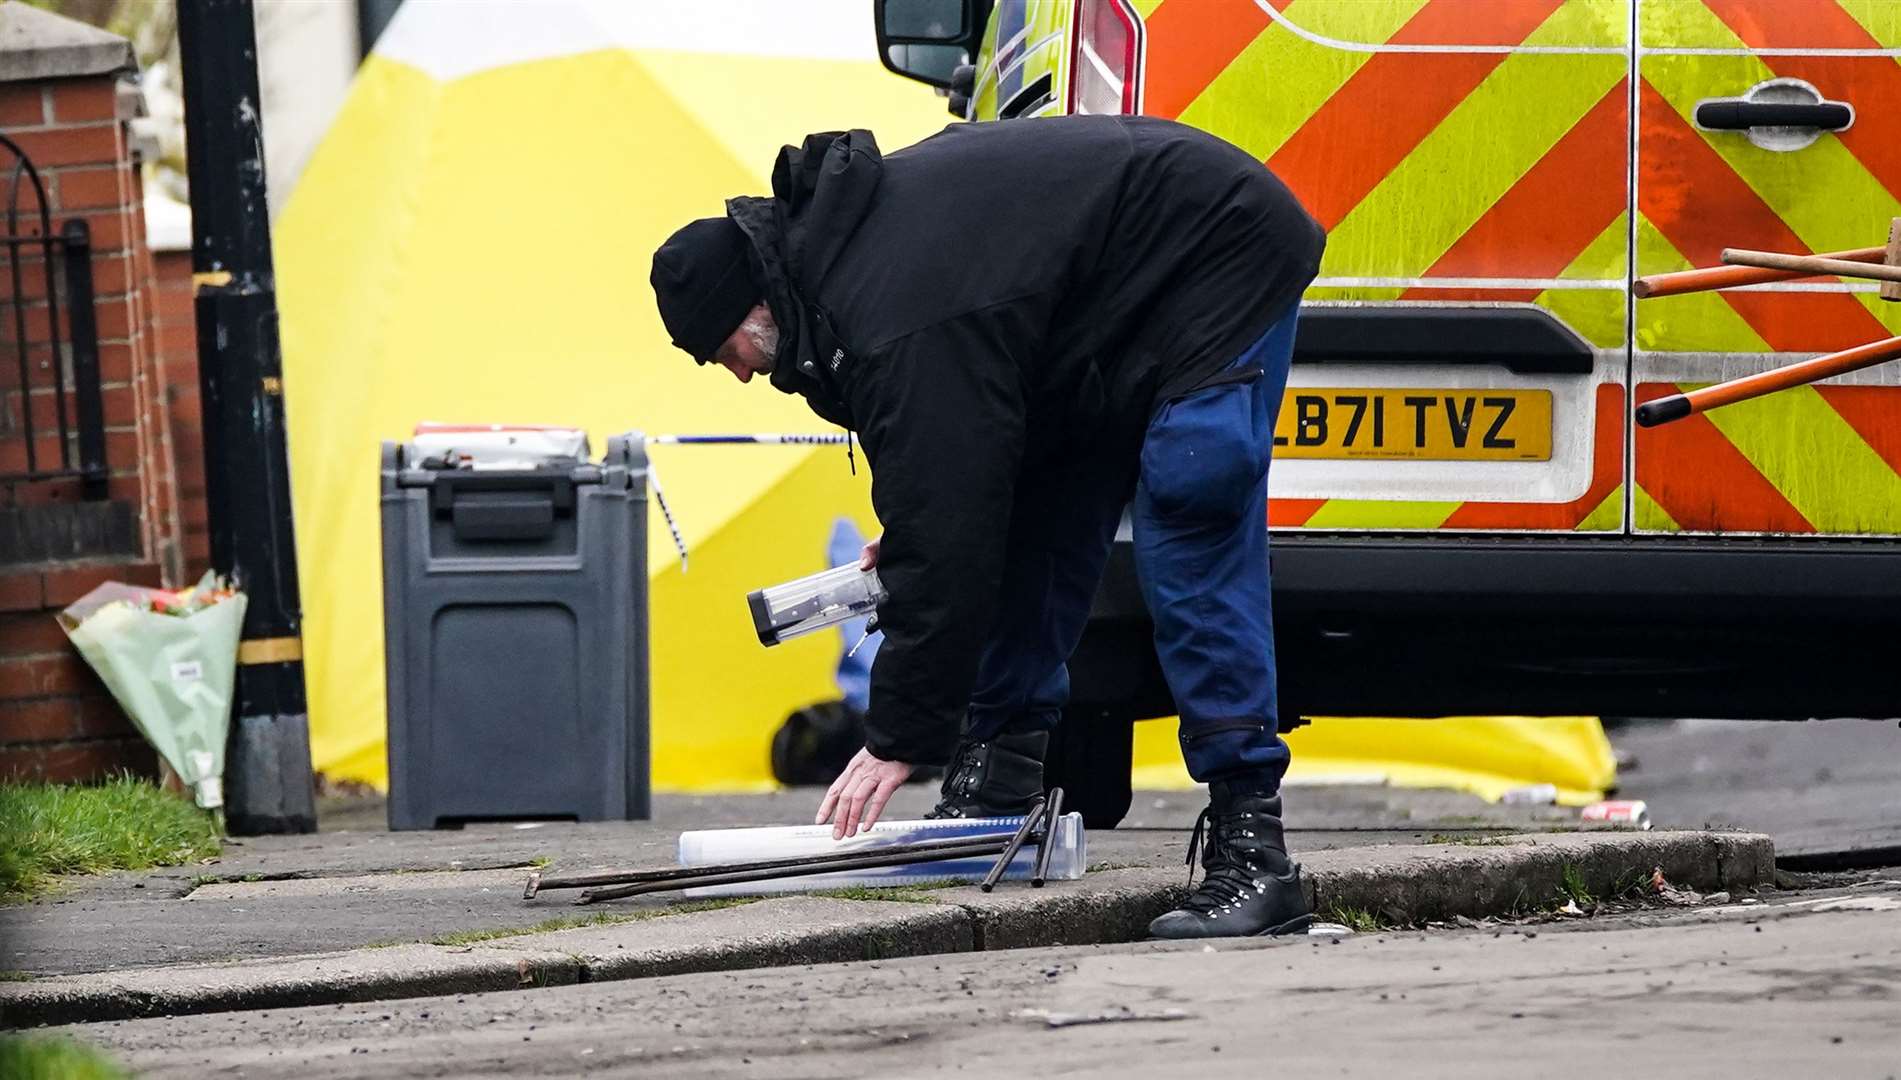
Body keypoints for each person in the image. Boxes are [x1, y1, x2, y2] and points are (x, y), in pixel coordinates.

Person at [650, 115, 1323, 939]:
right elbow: (953, 488)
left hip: (1215, 246)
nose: (744, 373)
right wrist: (921, 529)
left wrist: (897, 735)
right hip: (1100, 309)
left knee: (1190, 502)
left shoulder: (888, 305)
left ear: (754, 302)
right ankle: (998, 790)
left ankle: (1253, 851)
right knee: (1038, 513)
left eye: (726, 351)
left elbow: (945, 541)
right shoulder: (840, 283)